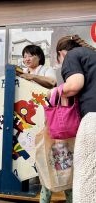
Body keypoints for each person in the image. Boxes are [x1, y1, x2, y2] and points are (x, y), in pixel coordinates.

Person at [17, 45, 72, 203]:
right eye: (24, 56)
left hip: (47, 121)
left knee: (54, 160)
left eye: (30, 55)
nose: (27, 59)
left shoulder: (45, 70)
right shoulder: (23, 72)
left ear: (39, 57)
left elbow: (53, 82)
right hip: (28, 121)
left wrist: (31, 77)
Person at [56, 35, 96, 203]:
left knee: (88, 176)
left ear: (61, 53)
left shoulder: (72, 55)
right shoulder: (91, 55)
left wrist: (56, 92)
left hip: (93, 117)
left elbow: (74, 85)